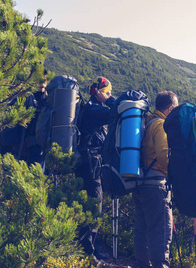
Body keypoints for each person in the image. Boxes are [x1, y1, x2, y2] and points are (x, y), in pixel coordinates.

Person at [133, 90, 178, 268]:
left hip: (141, 184)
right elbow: (163, 154)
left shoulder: (147, 122)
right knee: (161, 231)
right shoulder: (161, 125)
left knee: (142, 230)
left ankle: (142, 264)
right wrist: (173, 175)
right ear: (169, 109)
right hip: (156, 186)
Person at [75, 76, 116, 260]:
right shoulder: (96, 110)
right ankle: (89, 253)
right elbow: (118, 112)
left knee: (88, 206)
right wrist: (108, 100)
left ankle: (91, 249)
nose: (109, 96)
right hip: (91, 166)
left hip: (85, 164)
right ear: (99, 93)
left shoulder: (87, 109)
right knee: (94, 208)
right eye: (108, 93)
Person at [0, 71, 47, 166]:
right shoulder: (23, 97)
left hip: (38, 149)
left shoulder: (47, 100)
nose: (43, 80)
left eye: (45, 77)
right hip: (21, 149)